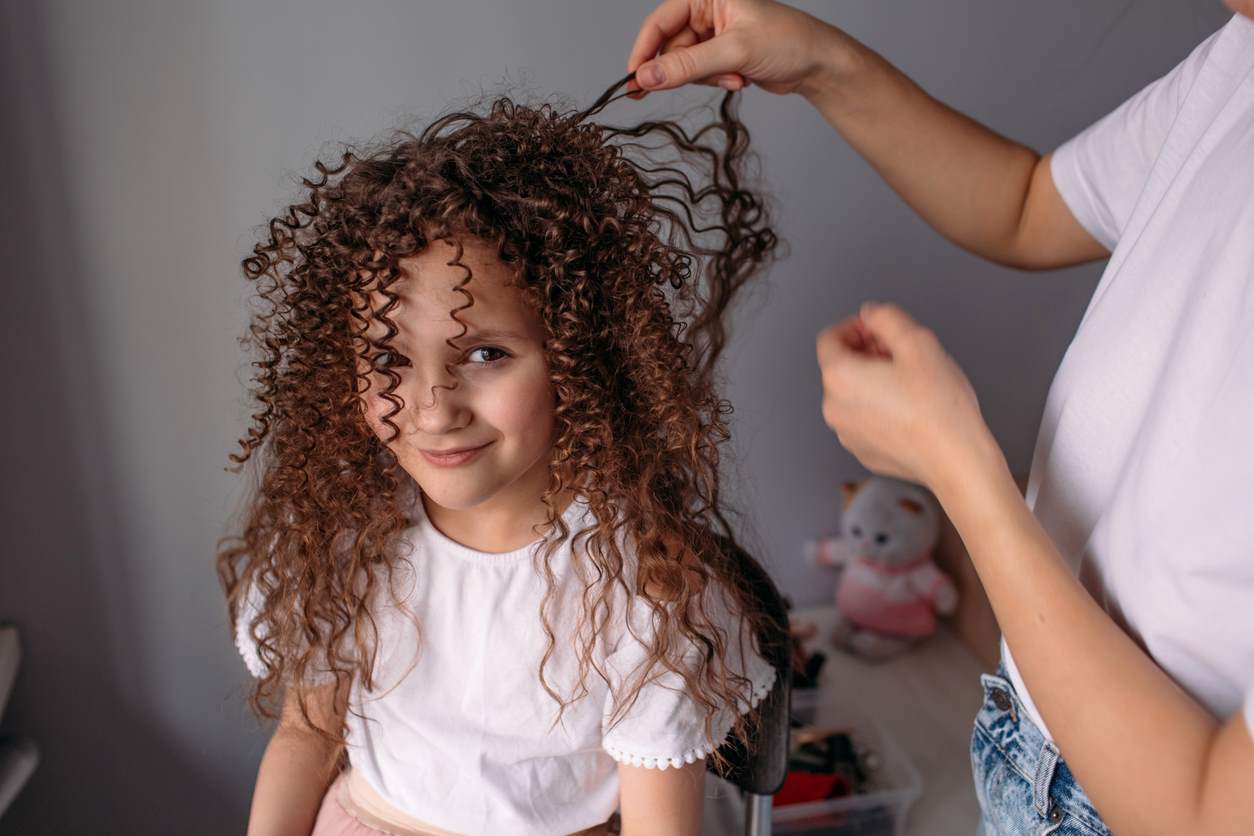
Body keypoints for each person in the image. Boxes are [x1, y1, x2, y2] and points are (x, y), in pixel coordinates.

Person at [626, 0, 1254, 833]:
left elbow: (1211, 815)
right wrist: (818, 61)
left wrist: (959, 468)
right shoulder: (1238, 60)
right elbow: (1027, 205)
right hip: (1036, 723)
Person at [218, 90, 781, 835]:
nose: (433, 406)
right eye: (389, 358)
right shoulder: (344, 537)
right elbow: (305, 736)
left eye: (485, 354)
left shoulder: (647, 589)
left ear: (578, 360)